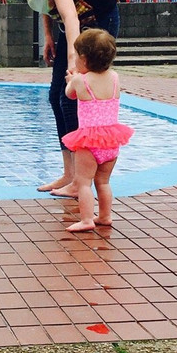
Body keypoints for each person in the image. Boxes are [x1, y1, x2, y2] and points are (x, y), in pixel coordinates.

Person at [0, 0, 119, 197]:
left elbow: (71, 16)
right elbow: (45, 4)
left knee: (71, 96)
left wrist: (73, 62)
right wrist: (49, 36)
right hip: (69, 25)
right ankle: (70, 173)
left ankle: (82, 179)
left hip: (97, 21)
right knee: (55, 96)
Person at [60, 29, 133, 233]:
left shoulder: (80, 81)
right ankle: (105, 216)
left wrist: (71, 81)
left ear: (83, 59)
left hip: (89, 141)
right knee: (103, 181)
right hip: (111, 140)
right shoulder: (115, 77)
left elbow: (70, 95)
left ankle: (85, 220)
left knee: (84, 182)